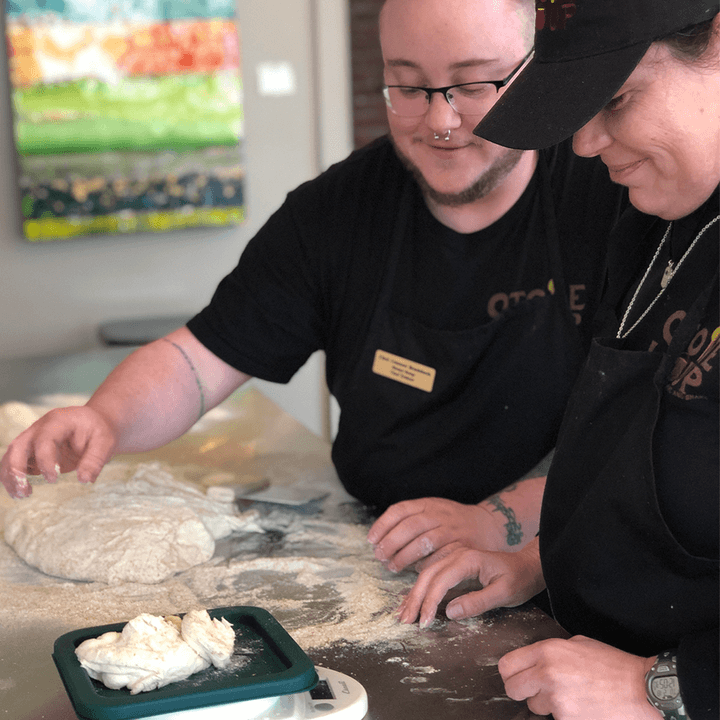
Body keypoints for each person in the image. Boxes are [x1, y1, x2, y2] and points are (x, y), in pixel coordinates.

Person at [0, 0, 625, 568]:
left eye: (472, 83)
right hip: (379, 548)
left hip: (563, 554)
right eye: (408, 86)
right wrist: (104, 417)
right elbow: (197, 360)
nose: (440, 118)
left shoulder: (609, 195)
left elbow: (641, 433)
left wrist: (496, 524)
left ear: (534, 70)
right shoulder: (334, 214)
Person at [397, 0, 719, 718]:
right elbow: (643, 475)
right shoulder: (656, 218)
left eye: (617, 99)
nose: (584, 143)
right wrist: (544, 563)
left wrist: (668, 686)